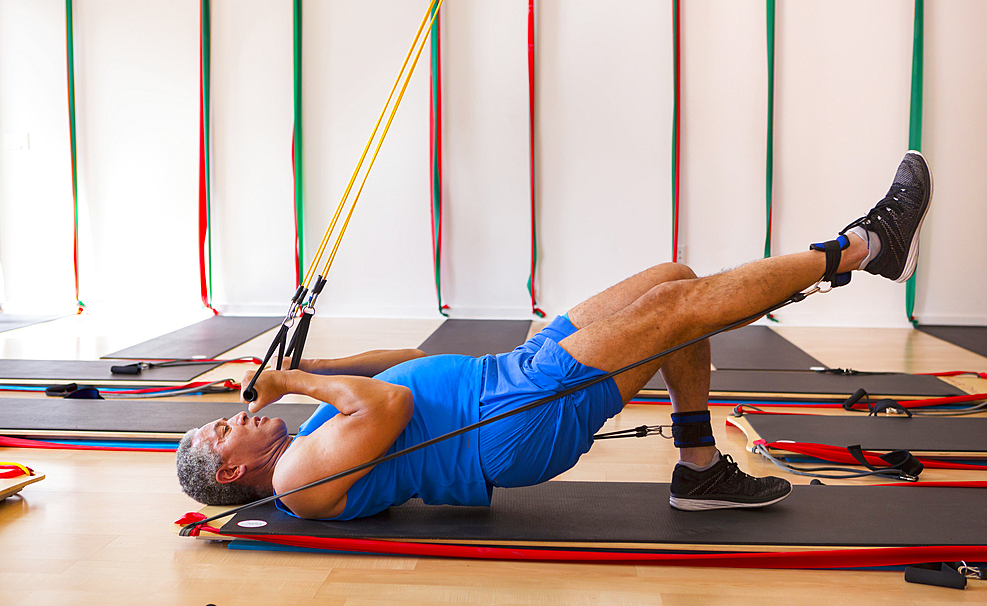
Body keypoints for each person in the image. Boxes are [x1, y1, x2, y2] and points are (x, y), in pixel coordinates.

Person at [177, 152, 931, 520]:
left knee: (671, 276)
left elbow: (404, 370)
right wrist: (296, 382)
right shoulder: (293, 481)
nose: (236, 415)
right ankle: (864, 245)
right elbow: (386, 410)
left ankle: (698, 465)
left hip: (506, 373)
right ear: (235, 473)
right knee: (676, 311)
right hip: (510, 421)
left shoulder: (304, 436)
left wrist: (316, 362)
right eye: (224, 431)